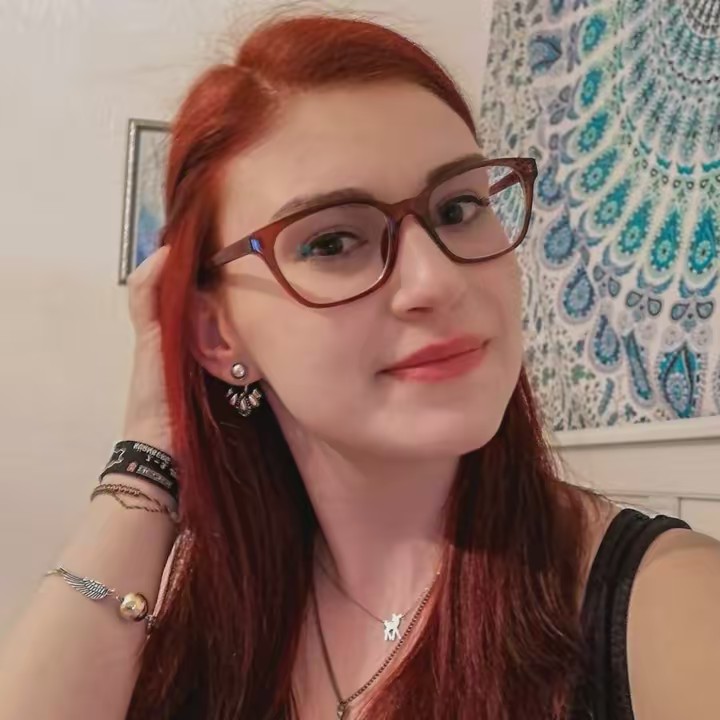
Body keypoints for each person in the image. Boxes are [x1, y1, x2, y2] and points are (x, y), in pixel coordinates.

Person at [1, 12, 719, 720]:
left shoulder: (670, 604)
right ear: (218, 335)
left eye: (459, 208)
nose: (437, 280)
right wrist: (150, 445)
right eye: (332, 242)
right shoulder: (205, 606)